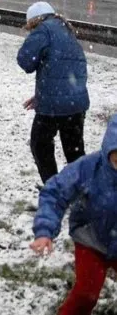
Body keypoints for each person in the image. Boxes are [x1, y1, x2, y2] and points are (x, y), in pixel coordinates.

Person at [30, 114, 117, 315]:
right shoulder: (89, 167)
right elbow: (55, 192)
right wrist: (44, 230)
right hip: (91, 240)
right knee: (87, 293)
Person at [17, 1, 89, 185]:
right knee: (74, 151)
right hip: (76, 103)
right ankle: (84, 193)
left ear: (33, 21)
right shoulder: (67, 32)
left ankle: (53, 189)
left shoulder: (43, 30)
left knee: (40, 145)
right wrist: (42, 95)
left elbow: (25, 61)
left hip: (54, 106)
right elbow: (65, 72)